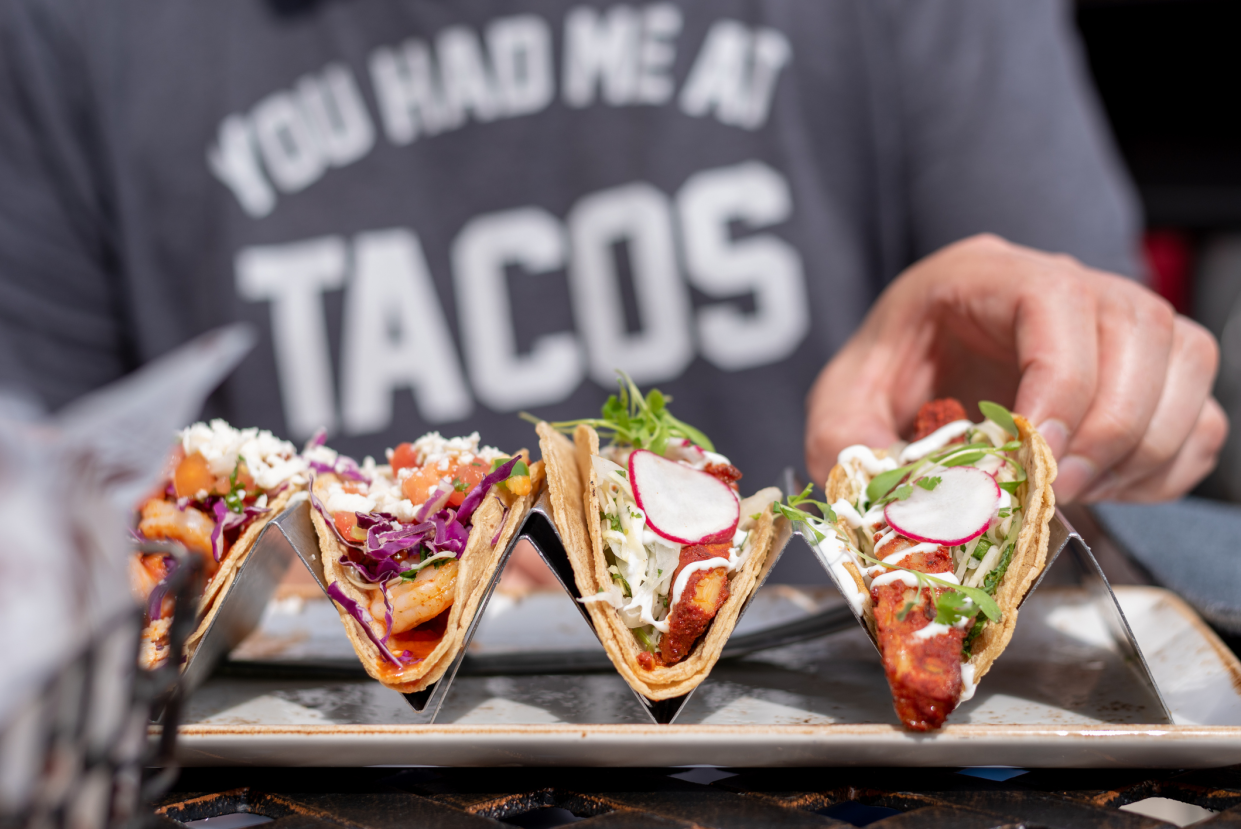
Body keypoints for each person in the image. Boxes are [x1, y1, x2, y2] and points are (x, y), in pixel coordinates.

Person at [0, 0, 1224, 586]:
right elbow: (28, 526)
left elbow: (1117, 446)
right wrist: (274, 561)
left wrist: (1061, 408)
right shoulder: (74, 36)